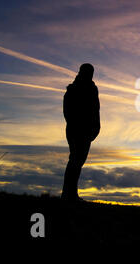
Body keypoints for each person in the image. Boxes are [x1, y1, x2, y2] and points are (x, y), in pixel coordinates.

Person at [61, 63, 100, 201]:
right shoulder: (73, 89)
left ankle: (71, 194)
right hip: (75, 130)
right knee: (75, 159)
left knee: (78, 160)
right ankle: (68, 194)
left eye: (91, 72)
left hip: (87, 131)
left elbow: (96, 110)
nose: (90, 74)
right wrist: (74, 124)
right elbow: (67, 110)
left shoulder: (93, 89)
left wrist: (96, 128)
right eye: (87, 71)